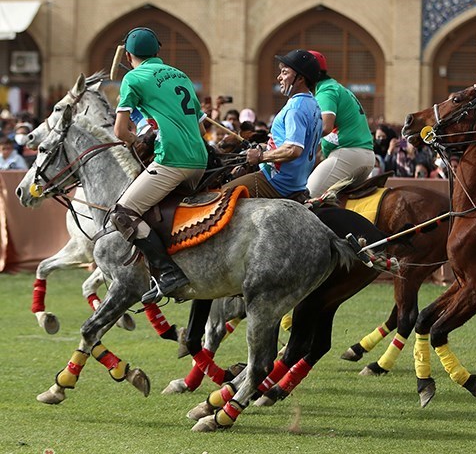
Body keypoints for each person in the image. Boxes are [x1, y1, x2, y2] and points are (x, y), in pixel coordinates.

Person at [111, 27, 209, 305]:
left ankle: (167, 272)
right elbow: (202, 129)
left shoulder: (132, 77)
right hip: (199, 161)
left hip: (172, 160)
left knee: (123, 214)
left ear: (129, 55)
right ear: (157, 52)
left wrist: (137, 141)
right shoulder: (181, 74)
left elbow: (120, 132)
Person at [222, 49, 322, 203]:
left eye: (284, 72)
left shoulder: (295, 107)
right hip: (297, 182)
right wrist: (264, 147)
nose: (279, 77)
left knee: (222, 195)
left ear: (300, 78)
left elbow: (293, 149)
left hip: (277, 182)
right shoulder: (313, 104)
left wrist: (261, 156)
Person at [305, 50, 376, 198]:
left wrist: (296, 142)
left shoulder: (326, 91)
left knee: (306, 198)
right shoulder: (334, 87)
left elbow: (325, 127)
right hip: (364, 156)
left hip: (347, 155)